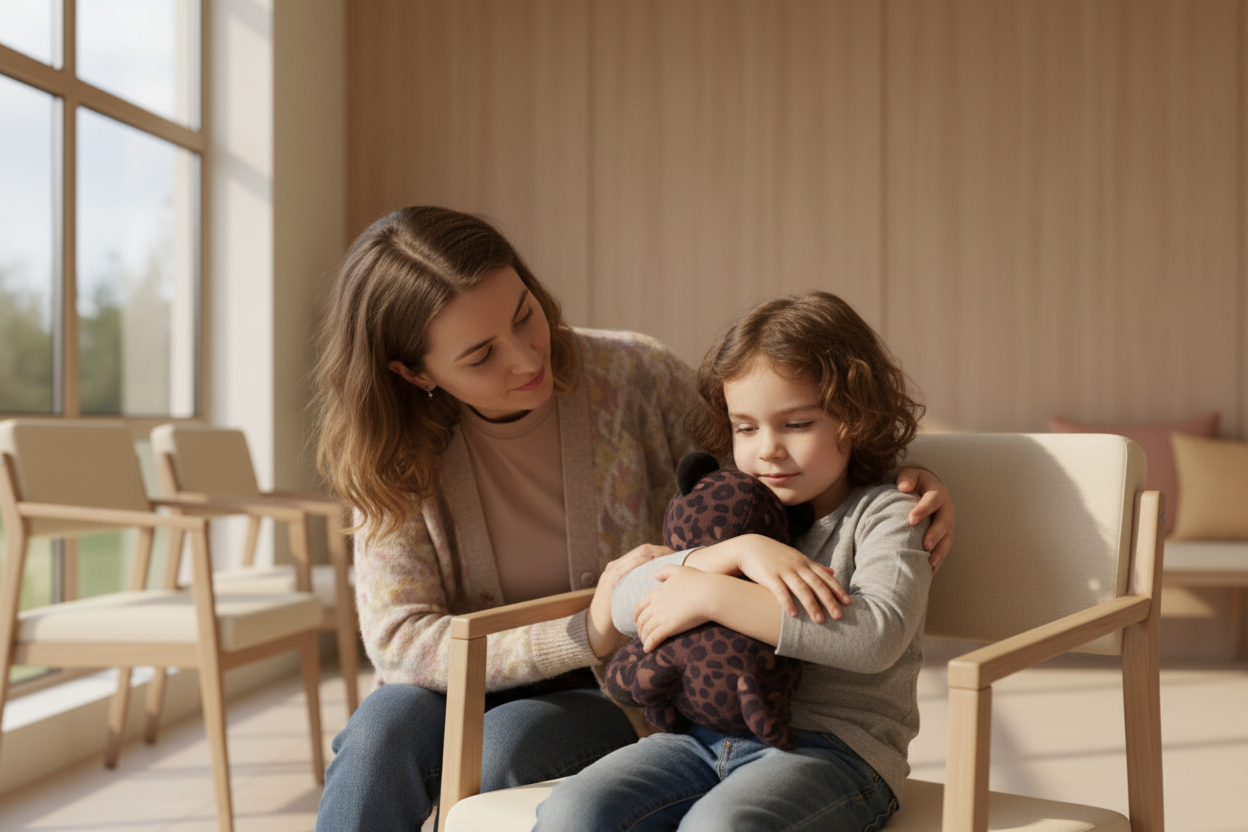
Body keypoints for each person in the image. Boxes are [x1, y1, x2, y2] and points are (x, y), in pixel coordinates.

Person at [310, 207, 955, 832]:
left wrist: (902, 475)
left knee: (504, 745)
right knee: (377, 737)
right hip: (472, 675)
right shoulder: (389, 452)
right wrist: (589, 628)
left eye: (525, 316)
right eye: (481, 356)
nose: (527, 358)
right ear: (413, 371)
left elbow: (770, 450)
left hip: (622, 684)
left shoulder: (633, 376)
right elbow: (401, 642)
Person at [534, 291, 934, 832]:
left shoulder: (888, 514)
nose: (767, 449)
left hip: (836, 752)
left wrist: (715, 595)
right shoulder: (732, 508)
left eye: (797, 424)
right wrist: (731, 553)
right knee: (572, 810)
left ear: (857, 418)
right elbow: (628, 602)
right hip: (696, 740)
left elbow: (875, 636)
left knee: (721, 826)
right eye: (746, 427)